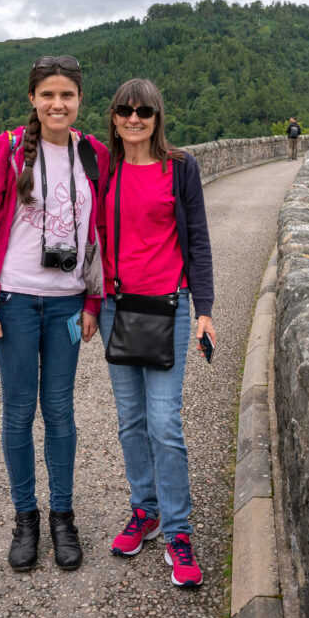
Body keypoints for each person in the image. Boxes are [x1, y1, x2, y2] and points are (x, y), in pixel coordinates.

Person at [0, 55, 108, 573]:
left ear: (79, 101)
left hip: (69, 303)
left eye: (67, 95)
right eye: (48, 95)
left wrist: (93, 301)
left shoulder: (93, 153)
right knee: (19, 410)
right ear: (33, 98)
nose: (57, 104)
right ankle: (25, 518)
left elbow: (102, 233)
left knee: (60, 411)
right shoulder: (5, 151)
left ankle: (63, 518)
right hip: (15, 298)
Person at [97, 78, 215, 588]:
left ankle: (178, 530)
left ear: (157, 115)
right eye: (125, 109)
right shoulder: (104, 167)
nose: (134, 118)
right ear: (115, 116)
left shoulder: (181, 167)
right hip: (115, 307)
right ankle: (143, 510)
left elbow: (198, 239)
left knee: (165, 422)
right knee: (130, 420)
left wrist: (205, 309)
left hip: (170, 307)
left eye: (143, 110)